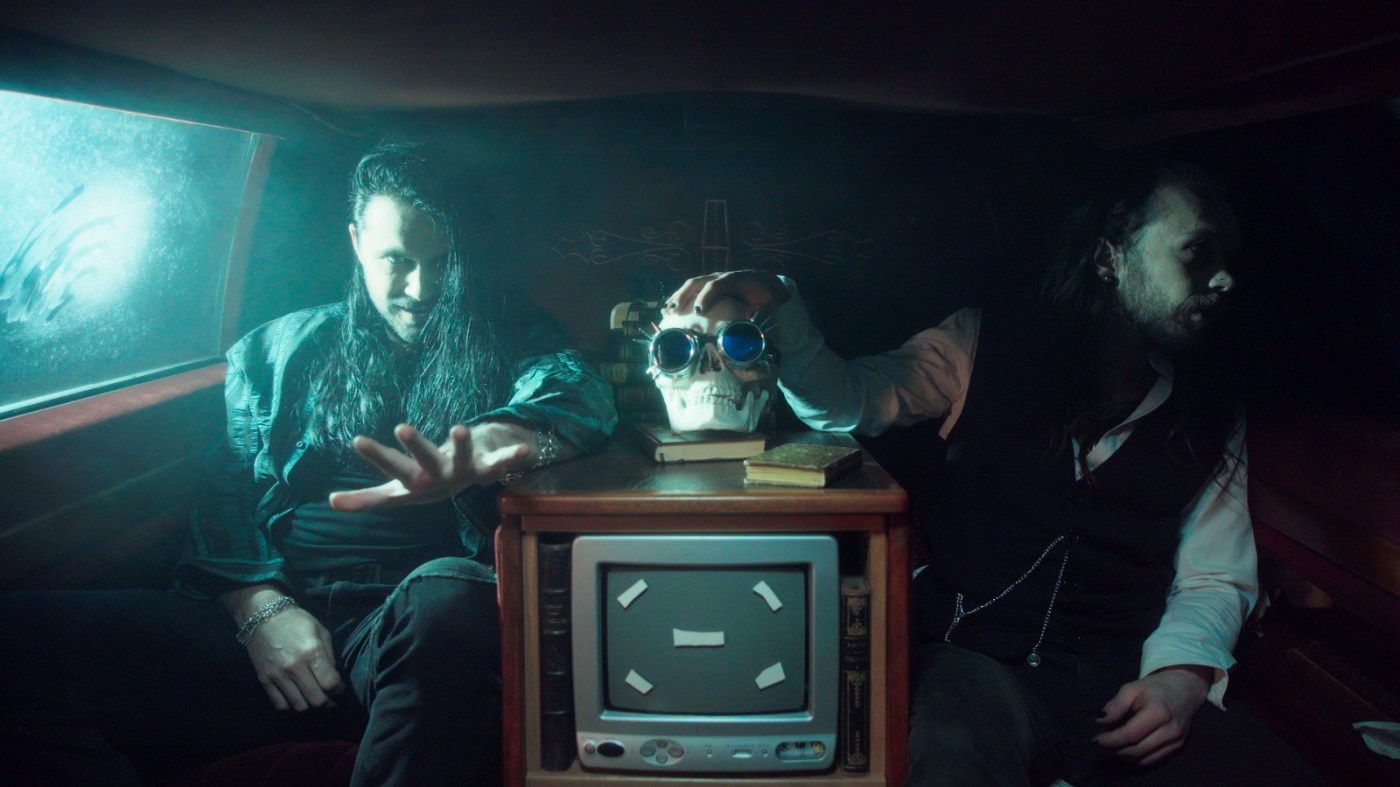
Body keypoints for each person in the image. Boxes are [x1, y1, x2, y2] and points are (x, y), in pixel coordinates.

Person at [664, 161, 1322, 785]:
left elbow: (1214, 575)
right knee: (955, 744)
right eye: (1197, 251)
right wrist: (779, 303)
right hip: (975, 664)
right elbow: (846, 402)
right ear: (1108, 259)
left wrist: (1180, 678)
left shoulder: (1212, 408)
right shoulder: (978, 345)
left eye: (1228, 257)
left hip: (1125, 680)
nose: (1224, 278)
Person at [0, 140, 617, 786]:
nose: (422, 288)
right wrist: (260, 610)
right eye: (398, 260)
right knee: (18, 636)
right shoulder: (272, 353)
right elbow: (229, 504)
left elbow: (580, 395)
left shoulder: (513, 339)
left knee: (451, 594)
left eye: (443, 264)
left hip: (403, 634)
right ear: (356, 243)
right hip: (269, 626)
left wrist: (481, 450)